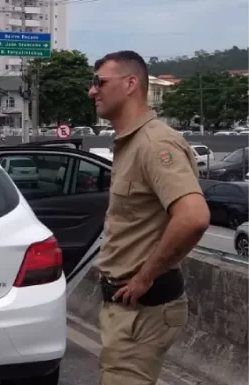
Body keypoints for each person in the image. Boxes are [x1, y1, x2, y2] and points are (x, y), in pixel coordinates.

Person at [89, 50, 210, 385]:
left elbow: (193, 217)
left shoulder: (155, 144)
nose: (92, 90)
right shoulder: (130, 142)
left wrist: (145, 277)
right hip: (127, 311)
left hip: (142, 311)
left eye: (100, 82)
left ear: (130, 84)